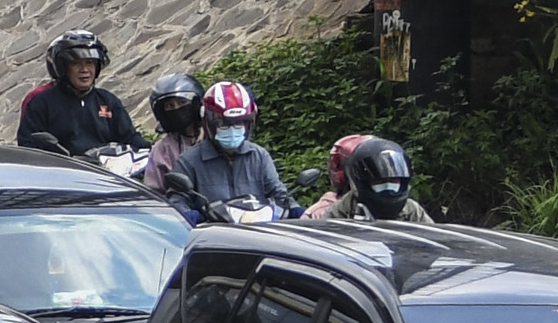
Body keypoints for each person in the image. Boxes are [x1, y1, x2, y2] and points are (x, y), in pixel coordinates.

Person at [166, 79, 289, 221]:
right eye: (224, 124)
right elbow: (177, 203)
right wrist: (197, 216)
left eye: (239, 123)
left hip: (260, 235)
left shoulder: (259, 156)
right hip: (214, 237)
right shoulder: (189, 162)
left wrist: (298, 212)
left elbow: (280, 196)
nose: (232, 129)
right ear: (208, 122)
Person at [15, 28, 143, 158]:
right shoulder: (42, 102)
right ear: (63, 68)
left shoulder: (108, 101)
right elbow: (28, 147)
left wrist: (150, 150)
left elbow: (130, 138)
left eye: (90, 63)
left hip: (105, 173)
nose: (85, 70)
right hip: (61, 173)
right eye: (76, 63)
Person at [311, 134, 435, 223]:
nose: (388, 187)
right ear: (362, 182)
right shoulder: (343, 210)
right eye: (380, 181)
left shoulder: (411, 210)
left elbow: (433, 243)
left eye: (394, 181)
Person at [139, 73, 204, 195]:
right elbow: (155, 193)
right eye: (170, 106)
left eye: (182, 102)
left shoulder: (214, 138)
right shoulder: (162, 151)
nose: (177, 108)